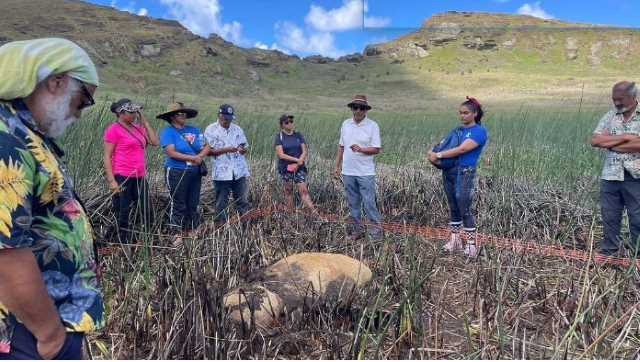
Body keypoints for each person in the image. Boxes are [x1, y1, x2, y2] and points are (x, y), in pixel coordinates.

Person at [0, 38, 103, 359]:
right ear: (57, 82)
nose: (79, 113)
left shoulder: (24, 132)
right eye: (83, 100)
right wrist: (49, 334)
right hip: (27, 331)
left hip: (41, 321)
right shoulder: (7, 139)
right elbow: (6, 253)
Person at [428, 96, 488, 258]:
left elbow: (462, 149)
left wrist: (438, 154)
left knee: (464, 208)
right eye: (460, 113)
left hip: (465, 172)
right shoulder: (457, 130)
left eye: (466, 113)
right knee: (453, 206)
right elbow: (444, 143)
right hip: (450, 171)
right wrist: (432, 152)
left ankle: (471, 245)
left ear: (474, 114)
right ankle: (455, 241)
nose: (462, 116)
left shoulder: (479, 131)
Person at [590, 81, 640, 256]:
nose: (617, 103)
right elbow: (595, 140)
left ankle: (637, 257)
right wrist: (626, 137)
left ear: (633, 98)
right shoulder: (610, 116)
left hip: (635, 176)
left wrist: (611, 143)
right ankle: (609, 253)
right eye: (614, 99)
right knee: (609, 217)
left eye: (621, 99)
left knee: (637, 218)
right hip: (610, 176)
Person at [103, 98, 159, 243]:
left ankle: (147, 239)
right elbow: (107, 156)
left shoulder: (137, 128)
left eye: (136, 111)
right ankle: (121, 241)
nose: (134, 114)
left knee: (147, 210)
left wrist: (145, 123)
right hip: (122, 176)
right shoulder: (113, 129)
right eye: (131, 111)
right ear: (120, 113)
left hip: (139, 176)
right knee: (122, 211)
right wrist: (112, 181)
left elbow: (154, 142)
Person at [334, 95, 383, 240]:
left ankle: (375, 234)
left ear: (366, 110)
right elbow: (341, 146)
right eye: (355, 107)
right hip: (348, 171)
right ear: (351, 108)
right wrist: (337, 165)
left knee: (369, 203)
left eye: (362, 108)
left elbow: (376, 149)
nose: (358, 110)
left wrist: (361, 149)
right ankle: (356, 232)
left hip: (365, 172)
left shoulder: (372, 125)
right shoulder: (345, 124)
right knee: (353, 203)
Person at [158, 102, 209, 236]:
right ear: (172, 116)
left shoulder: (194, 130)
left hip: (194, 171)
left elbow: (206, 146)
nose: (183, 115)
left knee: (193, 202)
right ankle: (175, 233)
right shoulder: (168, 132)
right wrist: (192, 158)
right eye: (179, 113)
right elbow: (171, 152)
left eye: (184, 113)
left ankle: (191, 231)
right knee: (178, 203)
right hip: (177, 171)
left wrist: (200, 156)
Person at [205, 104, 251, 224]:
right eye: (225, 119)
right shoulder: (210, 130)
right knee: (221, 201)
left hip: (238, 171)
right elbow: (208, 152)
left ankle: (245, 225)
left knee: (242, 200)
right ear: (219, 116)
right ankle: (220, 226)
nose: (227, 121)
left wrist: (241, 149)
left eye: (229, 119)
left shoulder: (237, 129)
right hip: (222, 172)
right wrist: (226, 149)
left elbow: (244, 146)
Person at [273, 114, 318, 212]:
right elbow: (281, 154)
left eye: (291, 121)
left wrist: (299, 163)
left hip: (299, 167)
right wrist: (296, 160)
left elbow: (304, 150)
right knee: (288, 191)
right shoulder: (279, 137)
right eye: (287, 122)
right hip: (286, 168)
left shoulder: (298, 135)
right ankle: (290, 212)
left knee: (303, 190)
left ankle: (312, 211)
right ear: (282, 125)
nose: (290, 124)